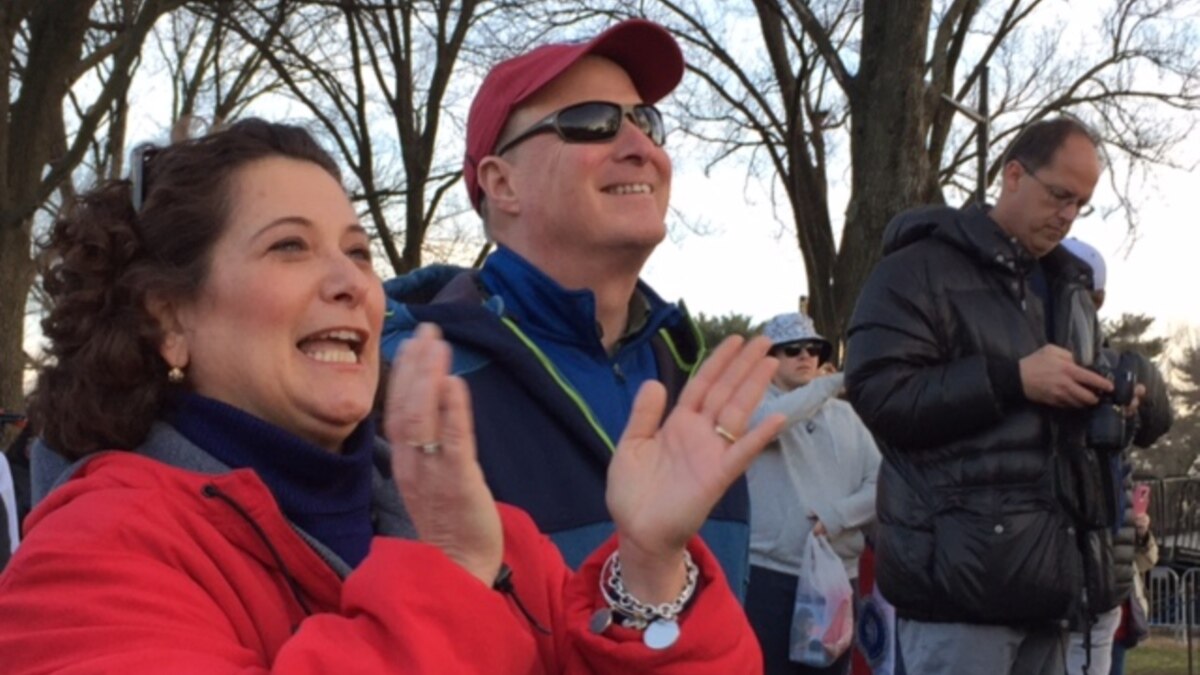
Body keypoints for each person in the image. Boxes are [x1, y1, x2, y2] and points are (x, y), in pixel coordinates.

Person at [0, 118, 787, 672]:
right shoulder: (88, 559)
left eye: (357, 250)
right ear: (168, 318)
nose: (352, 283)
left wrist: (649, 569)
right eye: (289, 247)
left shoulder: (480, 528)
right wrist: (446, 579)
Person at [379, 20, 753, 594]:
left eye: (645, 121)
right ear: (502, 184)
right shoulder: (410, 383)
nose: (641, 148)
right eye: (592, 123)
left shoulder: (695, 376)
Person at [844, 116, 1131, 675]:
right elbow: (878, 394)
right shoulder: (916, 269)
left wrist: (1116, 401)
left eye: (1082, 203)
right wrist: (1012, 379)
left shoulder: (1069, 289)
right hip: (959, 587)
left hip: (1050, 584)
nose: (1069, 214)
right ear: (1013, 175)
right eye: (1060, 195)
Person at [1058, 236, 1172, 675]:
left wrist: (1130, 378)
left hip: (1099, 568)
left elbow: (1157, 421)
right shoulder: (1024, 357)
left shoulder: (1114, 366)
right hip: (1048, 569)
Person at [744, 312, 881, 675]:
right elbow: (764, 427)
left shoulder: (846, 416)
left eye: (813, 348)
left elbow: (883, 481)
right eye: (791, 350)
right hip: (770, 575)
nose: (805, 356)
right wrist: (825, 386)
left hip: (837, 575)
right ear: (767, 360)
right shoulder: (750, 406)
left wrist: (835, 517)